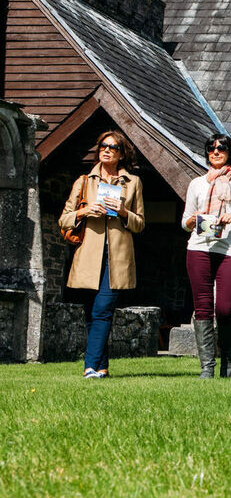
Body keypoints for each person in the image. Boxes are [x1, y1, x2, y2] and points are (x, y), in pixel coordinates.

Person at [58, 131, 145, 378]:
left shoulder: (133, 182)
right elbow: (64, 220)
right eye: (103, 146)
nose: (107, 150)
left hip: (117, 259)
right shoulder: (84, 181)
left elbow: (140, 224)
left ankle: (89, 366)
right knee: (92, 312)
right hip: (88, 256)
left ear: (121, 154)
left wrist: (124, 212)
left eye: (113, 147)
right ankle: (102, 367)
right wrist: (84, 212)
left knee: (102, 310)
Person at [182, 133, 231, 378]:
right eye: (211, 148)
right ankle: (207, 367)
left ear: (229, 153)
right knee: (202, 308)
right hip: (200, 247)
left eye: (221, 148)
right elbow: (185, 221)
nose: (216, 152)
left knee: (225, 308)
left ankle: (226, 356)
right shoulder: (197, 184)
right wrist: (192, 220)